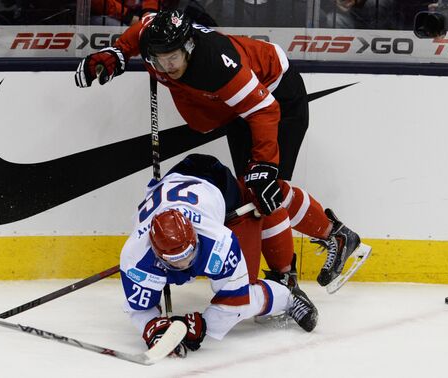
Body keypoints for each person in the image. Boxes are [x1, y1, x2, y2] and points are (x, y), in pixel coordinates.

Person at [75, 9, 367, 290]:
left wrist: (265, 164)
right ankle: (334, 240)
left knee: (267, 188)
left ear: (188, 47)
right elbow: (144, 26)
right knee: (251, 191)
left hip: (277, 97)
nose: (167, 68)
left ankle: (292, 272)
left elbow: (265, 109)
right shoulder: (157, 41)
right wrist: (118, 52)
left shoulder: (215, 63)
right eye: (159, 62)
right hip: (238, 109)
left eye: (173, 59)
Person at [119, 154, 318, 354]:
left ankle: (289, 297)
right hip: (173, 182)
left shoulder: (219, 241)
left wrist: (204, 325)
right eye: (176, 261)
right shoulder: (134, 256)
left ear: (195, 237)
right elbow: (139, 308)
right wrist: (152, 326)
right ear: (157, 253)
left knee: (245, 292)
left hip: (216, 181)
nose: (185, 264)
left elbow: (236, 302)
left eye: (189, 254)